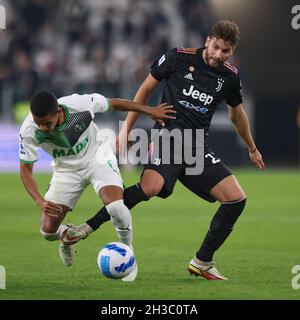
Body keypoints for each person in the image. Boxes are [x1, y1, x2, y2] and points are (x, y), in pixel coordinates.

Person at [65, 20, 265, 281]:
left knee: (236, 199)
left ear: (231, 51)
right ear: (208, 40)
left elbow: (236, 115)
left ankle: (202, 261)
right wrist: (126, 131)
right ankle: (86, 227)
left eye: (225, 51)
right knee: (150, 187)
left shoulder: (229, 76)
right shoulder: (177, 58)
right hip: (167, 138)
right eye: (215, 47)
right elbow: (145, 90)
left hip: (196, 147)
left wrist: (251, 147)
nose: (218, 55)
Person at [19, 90, 175, 281]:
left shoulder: (79, 104)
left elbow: (114, 102)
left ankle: (129, 254)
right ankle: (66, 236)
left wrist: (148, 110)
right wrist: (39, 201)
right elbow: (26, 171)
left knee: (116, 207)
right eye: (38, 123)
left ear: (58, 111)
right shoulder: (28, 131)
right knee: (47, 232)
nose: (42, 128)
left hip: (97, 158)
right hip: (66, 171)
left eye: (47, 123)